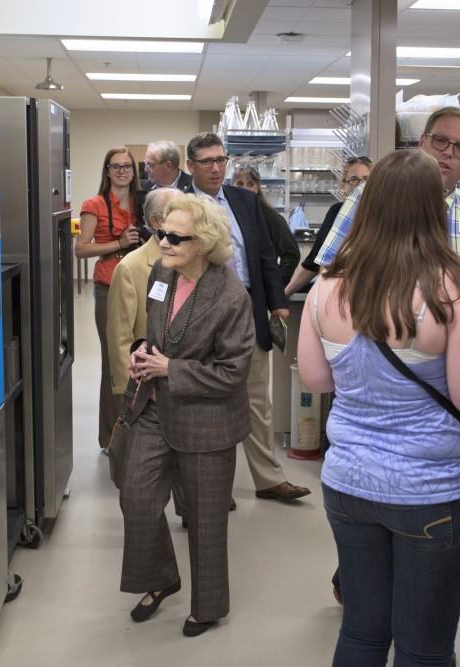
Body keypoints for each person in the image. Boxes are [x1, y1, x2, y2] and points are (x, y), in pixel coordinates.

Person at [298, 149, 460, 666]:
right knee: (423, 647)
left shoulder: (327, 285)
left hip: (349, 484)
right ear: (436, 207)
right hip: (431, 491)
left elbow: (317, 379)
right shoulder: (451, 290)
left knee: (363, 632)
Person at [119, 195, 255, 638]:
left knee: (205, 521)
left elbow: (233, 372)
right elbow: (158, 331)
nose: (165, 242)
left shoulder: (232, 296)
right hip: (156, 408)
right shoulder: (162, 272)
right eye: (162, 233)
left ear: (205, 244)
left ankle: (208, 606)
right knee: (136, 497)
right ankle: (162, 577)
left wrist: (170, 369)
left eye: (177, 237)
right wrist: (144, 347)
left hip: (208, 421)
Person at [182, 132, 310, 502]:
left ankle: (268, 479)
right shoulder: (180, 206)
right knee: (208, 401)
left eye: (221, 160)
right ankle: (212, 485)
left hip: (249, 309)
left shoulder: (244, 200)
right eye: (207, 161)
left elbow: (266, 255)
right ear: (191, 166)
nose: (217, 168)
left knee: (257, 397)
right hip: (202, 315)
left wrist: (276, 303)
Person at [314, 107, 460, 328]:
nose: (448, 152)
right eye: (441, 140)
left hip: (457, 354)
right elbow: (329, 271)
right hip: (378, 346)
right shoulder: (368, 197)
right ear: (422, 142)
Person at [105, 187, 183, 487]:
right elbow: (120, 336)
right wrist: (127, 390)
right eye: (177, 211)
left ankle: (188, 507)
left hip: (179, 377)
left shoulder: (191, 261)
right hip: (146, 384)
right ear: (156, 220)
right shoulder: (132, 267)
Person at [76, 147, 142, 450]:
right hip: (109, 288)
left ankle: (140, 429)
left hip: (142, 288)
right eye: (115, 167)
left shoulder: (142, 203)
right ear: (107, 171)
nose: (122, 171)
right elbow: (82, 248)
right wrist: (118, 243)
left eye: (127, 166)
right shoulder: (94, 204)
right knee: (113, 363)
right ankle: (112, 437)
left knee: (140, 360)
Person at [284, 156, 372, 296]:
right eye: (354, 179)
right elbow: (314, 262)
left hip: (367, 297)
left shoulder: (381, 217)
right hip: (333, 295)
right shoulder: (335, 212)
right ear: (344, 186)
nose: (361, 185)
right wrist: (285, 295)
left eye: (366, 179)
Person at [230, 164, 301, 284]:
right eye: (240, 184)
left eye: (250, 184)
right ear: (232, 187)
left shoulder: (270, 217)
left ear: (258, 188)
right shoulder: (227, 215)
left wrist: (276, 285)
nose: (245, 189)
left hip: (259, 291)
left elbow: (291, 254)